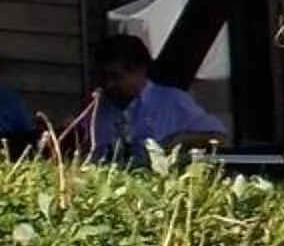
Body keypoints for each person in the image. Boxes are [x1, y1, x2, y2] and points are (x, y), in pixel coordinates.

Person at [78, 34, 226, 162]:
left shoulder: (172, 101)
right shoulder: (96, 107)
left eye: (115, 77)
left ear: (140, 71)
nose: (108, 85)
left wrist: (182, 139)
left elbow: (219, 137)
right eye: (103, 77)